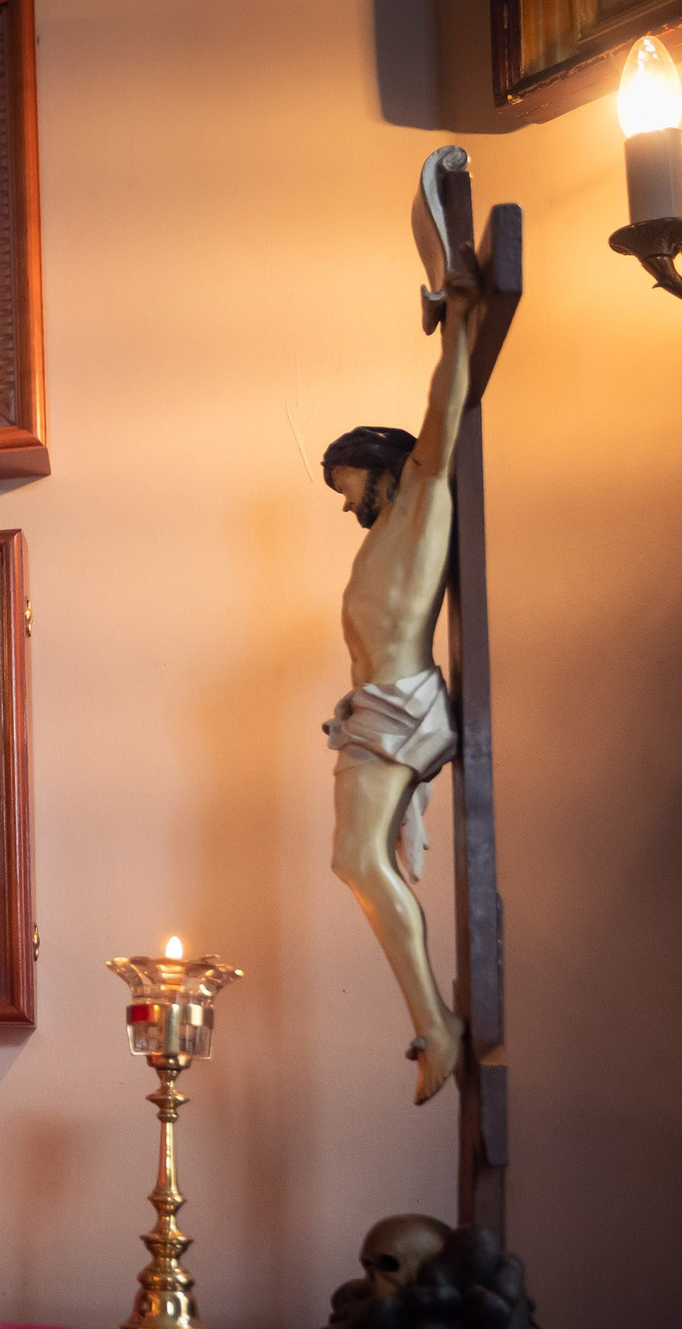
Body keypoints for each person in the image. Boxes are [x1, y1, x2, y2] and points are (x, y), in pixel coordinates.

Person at [319, 261, 483, 1105]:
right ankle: (433, 1020)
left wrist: (458, 318)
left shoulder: (421, 494)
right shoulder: (382, 532)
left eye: (348, 486)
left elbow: (444, 405)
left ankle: (437, 1023)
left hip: (401, 704)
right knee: (353, 859)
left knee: (356, 857)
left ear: (382, 466)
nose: (348, 507)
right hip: (376, 712)